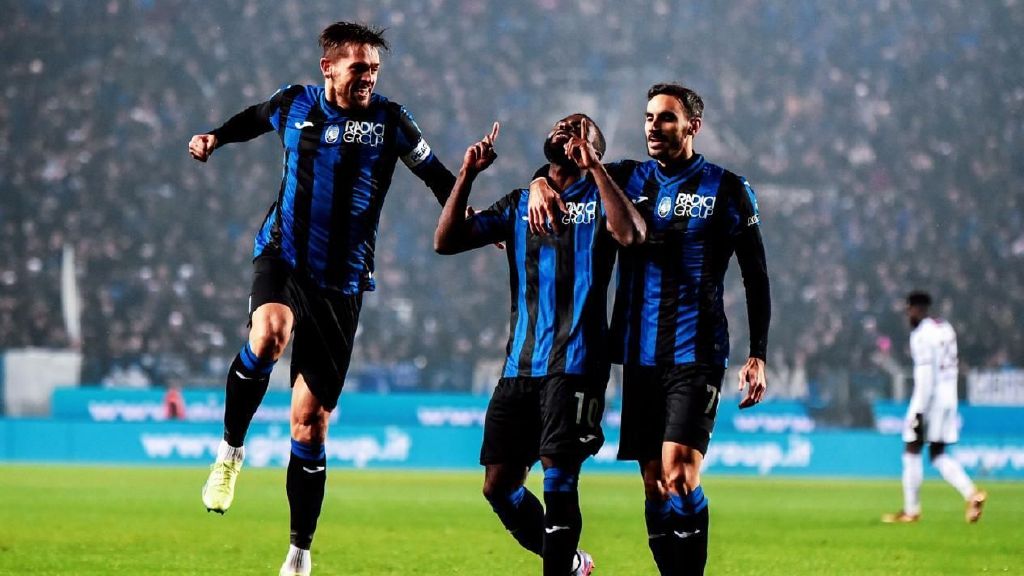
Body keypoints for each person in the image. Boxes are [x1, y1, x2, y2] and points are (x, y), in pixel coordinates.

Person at [187, 22, 456, 576]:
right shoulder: (295, 104)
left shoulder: (392, 121)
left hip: (343, 282)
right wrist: (214, 136)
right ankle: (230, 451)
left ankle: (299, 552)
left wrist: (474, 221)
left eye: (374, 69)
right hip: (284, 257)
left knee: (309, 423)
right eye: (359, 67)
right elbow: (253, 118)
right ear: (328, 68)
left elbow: (436, 176)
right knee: (270, 333)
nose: (369, 77)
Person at [529, 83, 771, 575]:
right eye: (648, 118)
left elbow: (756, 274)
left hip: (698, 351)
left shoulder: (728, 189)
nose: (653, 127)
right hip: (639, 354)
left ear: (692, 127)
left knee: (680, 472)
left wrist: (758, 353)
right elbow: (564, 170)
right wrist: (537, 182)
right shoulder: (625, 176)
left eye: (665, 118)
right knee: (655, 484)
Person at [434, 114, 645, 576]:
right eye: (560, 124)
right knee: (498, 487)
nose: (565, 127)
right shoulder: (518, 204)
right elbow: (445, 241)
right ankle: (573, 563)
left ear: (593, 148)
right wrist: (467, 174)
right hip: (520, 366)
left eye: (579, 127)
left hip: (578, 362)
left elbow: (631, 234)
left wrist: (593, 168)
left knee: (558, 477)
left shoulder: (604, 195)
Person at [882, 291, 987, 524]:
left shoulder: (921, 335)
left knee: (912, 449)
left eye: (908, 309)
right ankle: (972, 494)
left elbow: (926, 377)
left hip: (930, 400)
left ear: (916, 309)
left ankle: (911, 510)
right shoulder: (945, 328)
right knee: (938, 454)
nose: (907, 315)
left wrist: (919, 411)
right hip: (949, 397)